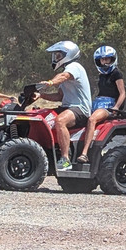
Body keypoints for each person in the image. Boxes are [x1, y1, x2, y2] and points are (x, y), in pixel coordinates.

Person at [34, 40, 92, 170]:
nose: (55, 59)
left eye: (58, 56)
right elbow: (59, 96)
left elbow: (63, 76)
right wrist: (41, 96)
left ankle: (65, 159)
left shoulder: (74, 67)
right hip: (68, 107)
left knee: (60, 121)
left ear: (68, 54)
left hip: (80, 109)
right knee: (42, 116)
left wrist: (50, 82)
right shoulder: (67, 70)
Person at [75, 45, 126, 164]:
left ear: (112, 59)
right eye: (102, 60)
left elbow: (122, 93)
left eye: (107, 59)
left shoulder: (116, 73)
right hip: (98, 103)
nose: (104, 62)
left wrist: (116, 107)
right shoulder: (101, 75)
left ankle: (84, 153)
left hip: (109, 105)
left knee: (92, 119)